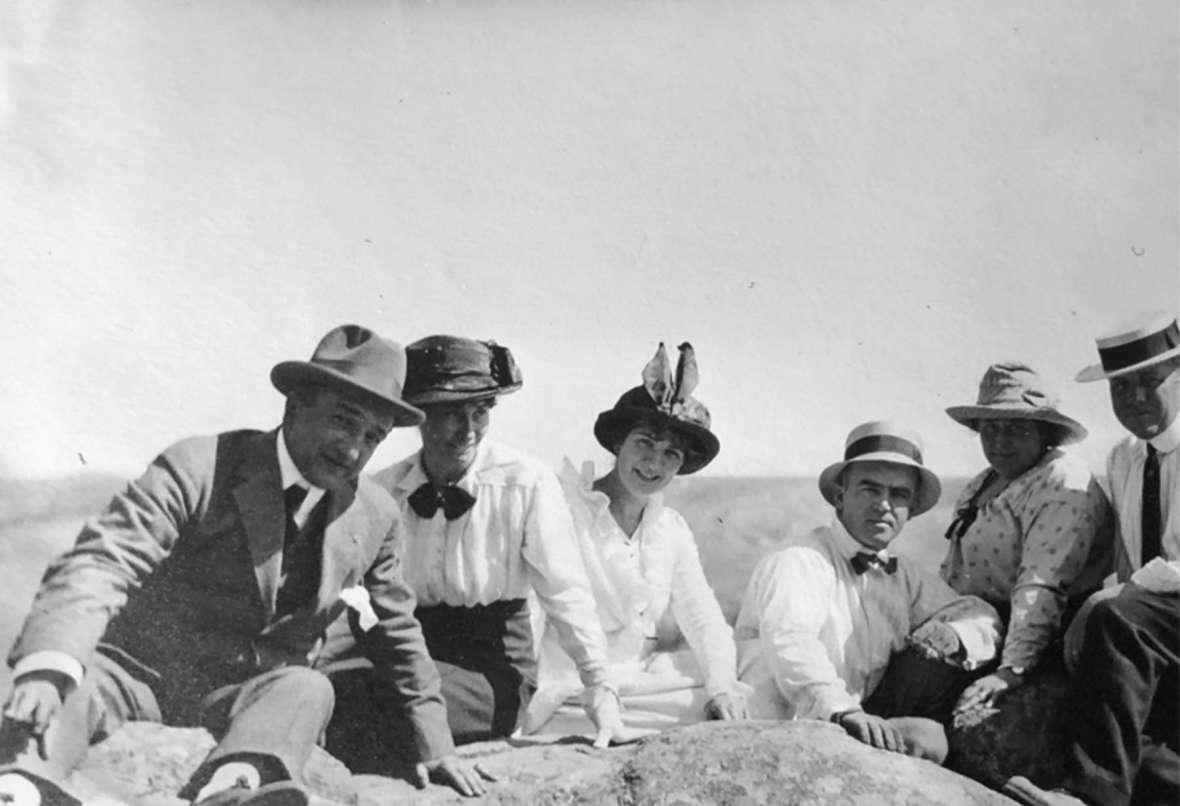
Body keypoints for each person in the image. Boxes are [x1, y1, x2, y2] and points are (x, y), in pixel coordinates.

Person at [0, 325, 492, 806]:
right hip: (136, 678)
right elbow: (104, 561)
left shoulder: (375, 513)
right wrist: (49, 666)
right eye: (343, 421)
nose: (353, 450)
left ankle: (237, 788)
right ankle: (21, 786)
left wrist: (436, 745)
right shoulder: (198, 467)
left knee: (308, 686)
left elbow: (394, 630)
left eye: (373, 436)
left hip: (251, 697)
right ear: (295, 406)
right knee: (67, 690)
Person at [321, 335, 623, 770]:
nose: (468, 430)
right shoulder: (384, 489)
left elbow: (567, 594)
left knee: (376, 704)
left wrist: (600, 688)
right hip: (406, 654)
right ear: (418, 417)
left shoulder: (527, 482)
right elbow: (349, 594)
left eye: (480, 413)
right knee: (325, 691)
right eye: (450, 414)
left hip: (492, 669)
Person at [735, 421, 1003, 763]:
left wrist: (955, 636)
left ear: (910, 510)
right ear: (839, 496)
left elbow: (977, 613)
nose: (884, 505)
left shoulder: (902, 575)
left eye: (899, 494)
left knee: (931, 737)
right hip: (783, 728)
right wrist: (842, 711)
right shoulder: (799, 561)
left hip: (848, 723)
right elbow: (791, 641)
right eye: (870, 489)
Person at [522, 342, 747, 737]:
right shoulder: (564, 509)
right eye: (644, 443)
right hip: (570, 689)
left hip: (638, 686)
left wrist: (721, 689)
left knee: (742, 696)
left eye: (671, 454)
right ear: (617, 444)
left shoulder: (669, 529)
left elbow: (702, 615)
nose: (653, 463)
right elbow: (530, 616)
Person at [1005, 311, 1180, 806]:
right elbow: (1127, 560)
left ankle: (1091, 797)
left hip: (1163, 617)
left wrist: (1117, 600)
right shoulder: (1124, 458)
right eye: (1121, 387)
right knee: (1141, 754)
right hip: (1163, 631)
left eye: (1150, 381)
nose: (1136, 398)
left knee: (1113, 615)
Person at [940, 362, 1113, 714]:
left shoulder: (1063, 481)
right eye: (990, 428)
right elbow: (953, 570)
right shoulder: (982, 483)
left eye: (1016, 429)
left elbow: (1043, 584)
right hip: (983, 624)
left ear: (1043, 432)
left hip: (1048, 636)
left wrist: (1011, 671)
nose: (1000, 442)